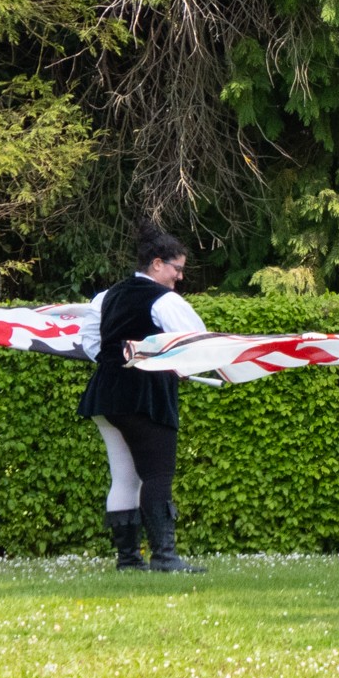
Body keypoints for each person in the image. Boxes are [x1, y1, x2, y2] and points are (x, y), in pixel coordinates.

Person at [79, 222, 208, 574]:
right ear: (157, 264)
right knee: (157, 474)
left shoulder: (105, 297)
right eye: (176, 268)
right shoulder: (165, 300)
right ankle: (164, 557)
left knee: (125, 478)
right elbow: (197, 341)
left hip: (105, 394)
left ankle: (128, 560)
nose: (179, 277)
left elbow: (91, 345)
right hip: (144, 396)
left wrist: (120, 360)